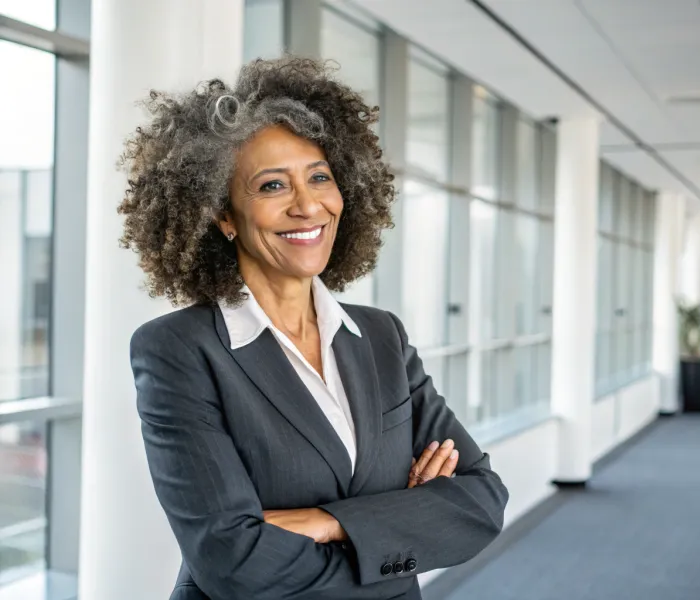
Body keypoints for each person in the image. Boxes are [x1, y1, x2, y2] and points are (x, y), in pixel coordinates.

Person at [123, 56, 508, 600]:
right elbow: (231, 561)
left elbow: (480, 501)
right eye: (273, 185)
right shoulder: (179, 350)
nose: (309, 206)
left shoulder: (381, 338)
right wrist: (397, 523)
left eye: (320, 177)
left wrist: (331, 523)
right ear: (224, 215)